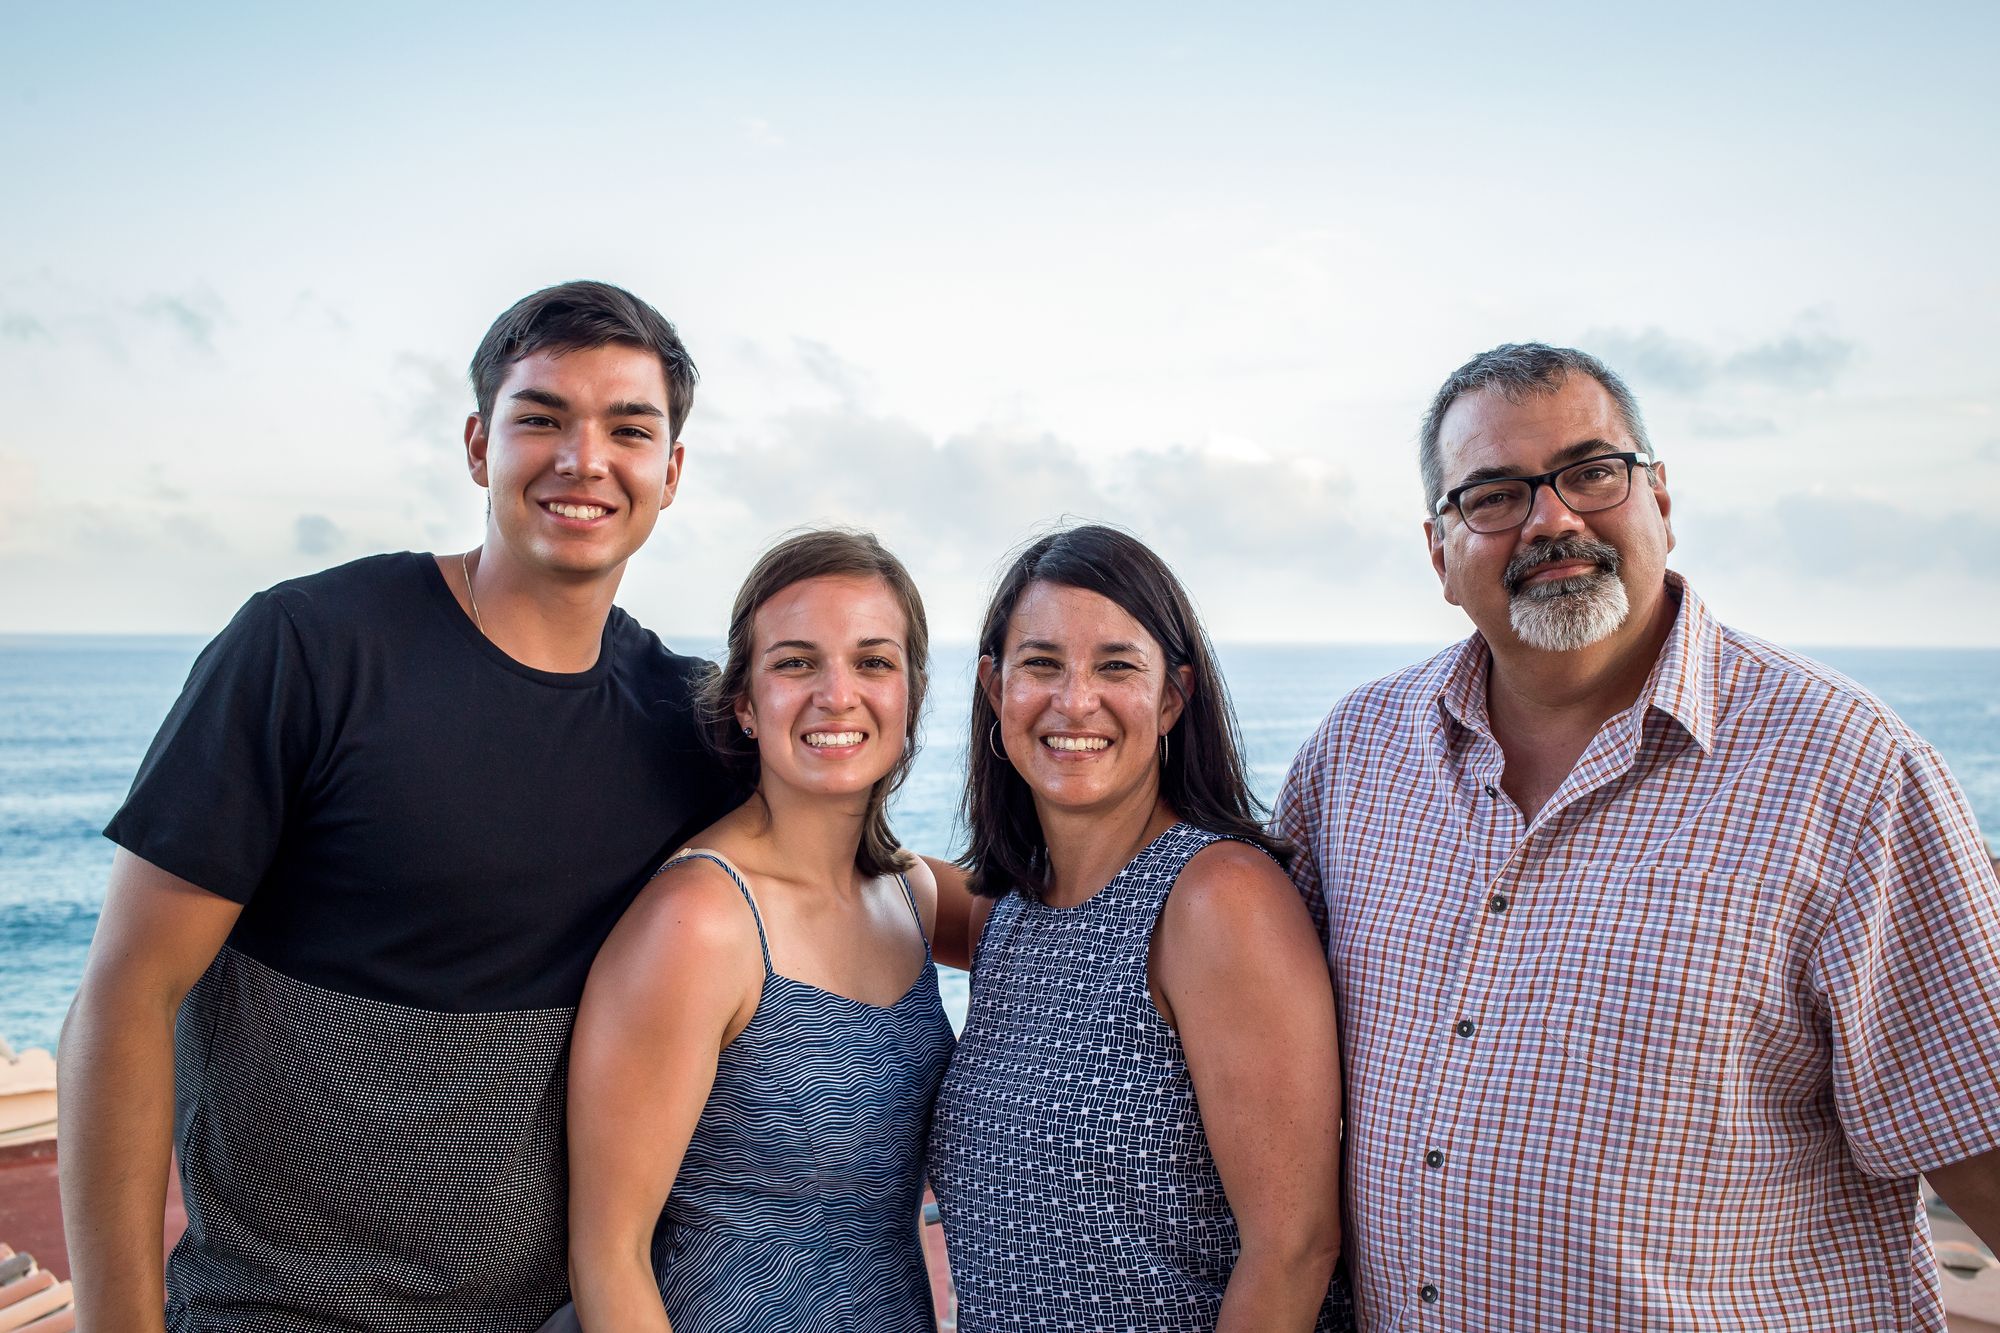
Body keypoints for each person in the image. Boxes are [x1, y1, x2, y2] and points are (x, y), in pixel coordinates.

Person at [1275, 342, 2000, 1330]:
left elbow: (1978, 1134)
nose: (1551, 518)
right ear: (1438, 552)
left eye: (1590, 471)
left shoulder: (1850, 773)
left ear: (1658, 498)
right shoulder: (1352, 758)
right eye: (1492, 494)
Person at [57, 281, 728, 1332]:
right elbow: (124, 997)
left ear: (671, 472)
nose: (582, 459)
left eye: (627, 429)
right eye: (540, 418)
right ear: (476, 444)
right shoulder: (308, 648)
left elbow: (875, 877)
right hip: (272, 1311)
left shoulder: (687, 723)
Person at [926, 524, 1353, 1333]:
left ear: (1171, 697)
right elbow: (860, 892)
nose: (1074, 699)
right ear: (994, 687)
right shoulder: (1010, 911)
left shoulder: (1216, 898)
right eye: (1041, 663)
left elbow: (1294, 1249)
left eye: (1116, 665)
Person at [566, 529, 955, 1332]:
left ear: (910, 695)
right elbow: (608, 1256)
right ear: (746, 702)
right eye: (796, 662)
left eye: (873, 661)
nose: (837, 693)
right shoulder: (700, 920)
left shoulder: (912, 895)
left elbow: (1074, 918)